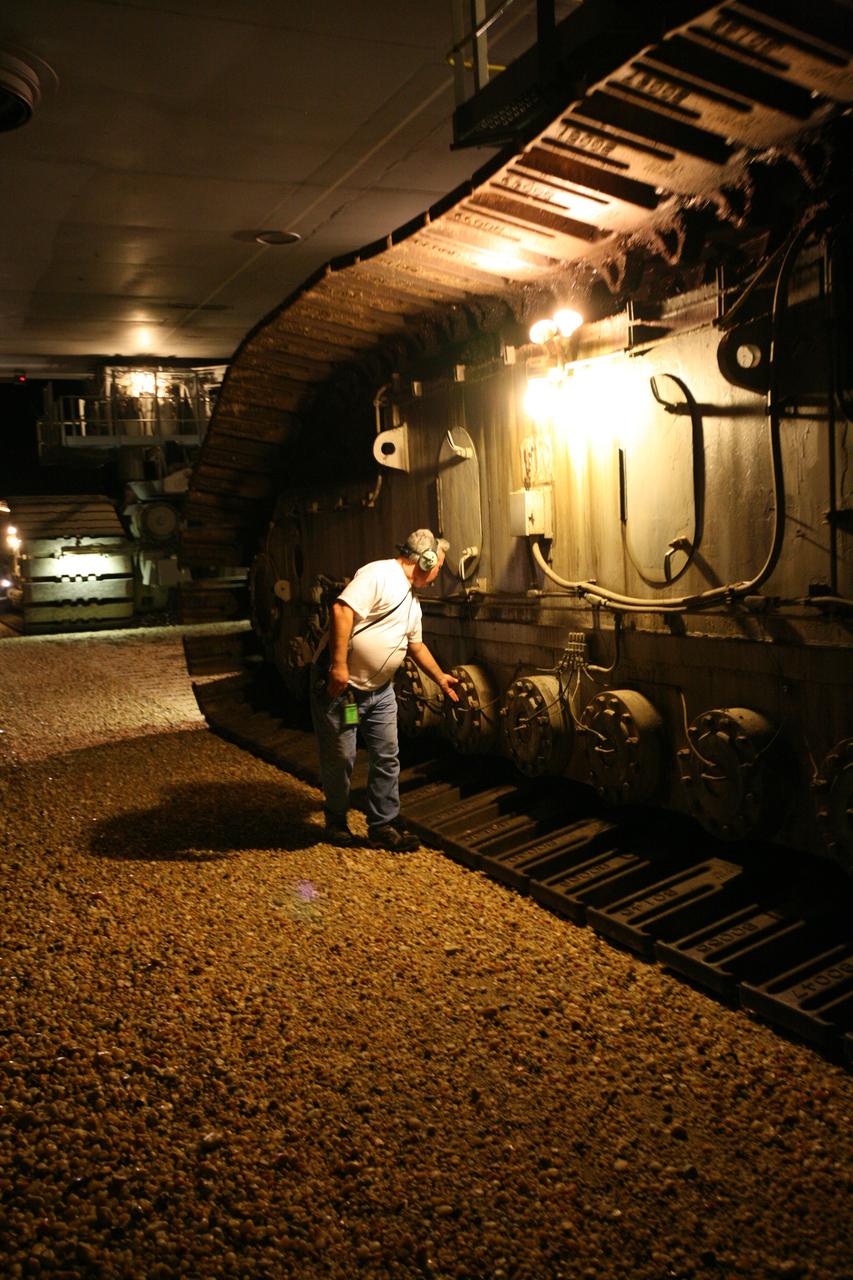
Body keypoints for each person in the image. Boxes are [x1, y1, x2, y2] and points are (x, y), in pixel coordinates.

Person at [311, 529, 459, 851]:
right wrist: (338, 665)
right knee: (342, 757)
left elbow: (415, 646)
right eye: (438, 566)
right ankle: (336, 822)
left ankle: (382, 824)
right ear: (426, 559)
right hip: (345, 692)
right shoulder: (380, 574)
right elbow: (341, 610)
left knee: (387, 757)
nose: (437, 575)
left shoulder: (412, 602)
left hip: (379, 694)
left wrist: (440, 677)